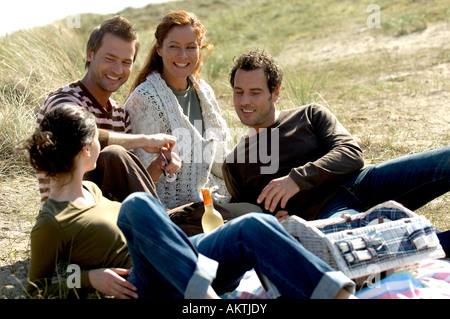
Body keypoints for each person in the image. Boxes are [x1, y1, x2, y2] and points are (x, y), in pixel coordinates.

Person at [24, 104, 356, 299]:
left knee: (254, 225)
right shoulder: (51, 222)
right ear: (85, 150)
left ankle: (335, 295)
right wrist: (89, 279)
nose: (101, 143)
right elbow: (35, 287)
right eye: (97, 138)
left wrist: (154, 170)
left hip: (183, 261)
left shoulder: (91, 191)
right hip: (145, 283)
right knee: (136, 207)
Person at [222, 50, 449, 223]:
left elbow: (351, 154)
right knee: (365, 239)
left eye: (255, 92)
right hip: (326, 214)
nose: (244, 101)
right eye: (238, 92)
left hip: (363, 183)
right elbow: (253, 215)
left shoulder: (310, 114)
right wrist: (275, 222)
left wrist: (297, 179)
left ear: (276, 93)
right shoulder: (235, 163)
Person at [35, 15, 181, 209]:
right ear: (90, 55)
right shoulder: (64, 99)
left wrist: (158, 165)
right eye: (109, 59)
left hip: (111, 212)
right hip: (70, 214)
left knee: (199, 216)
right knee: (114, 154)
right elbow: (82, 137)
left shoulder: (120, 114)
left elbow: (125, 185)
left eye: (126, 62)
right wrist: (145, 140)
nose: (117, 69)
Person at [124, 11, 232, 209]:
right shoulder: (145, 99)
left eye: (191, 47)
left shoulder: (204, 91)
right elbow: (141, 180)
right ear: (159, 49)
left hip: (214, 200)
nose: (183, 55)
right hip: (173, 211)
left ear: (200, 49)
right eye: (174, 47)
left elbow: (221, 162)